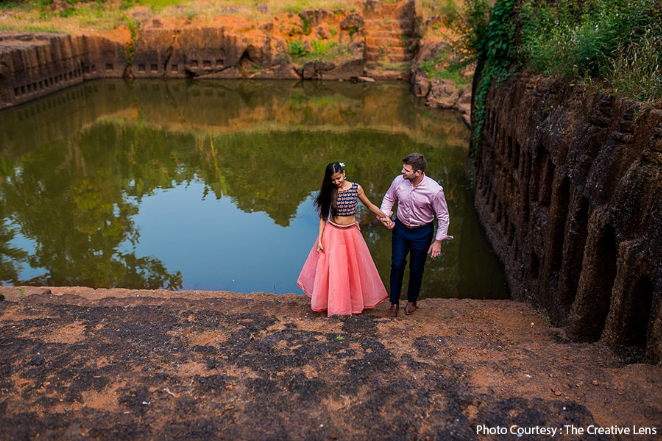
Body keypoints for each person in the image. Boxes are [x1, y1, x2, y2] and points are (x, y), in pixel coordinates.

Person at [298, 162, 393, 316]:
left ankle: (354, 303)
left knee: (352, 269)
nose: (337, 182)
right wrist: (320, 240)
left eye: (339, 177)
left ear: (344, 172)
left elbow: (370, 205)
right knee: (335, 271)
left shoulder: (356, 188)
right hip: (333, 233)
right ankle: (335, 305)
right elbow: (323, 217)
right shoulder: (330, 191)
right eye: (333, 179)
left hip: (351, 234)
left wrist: (385, 216)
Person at [378, 153, 453, 317]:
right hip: (401, 229)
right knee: (397, 265)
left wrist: (438, 241)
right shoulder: (399, 181)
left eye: (406, 170)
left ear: (418, 172)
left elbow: (443, 216)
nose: (402, 171)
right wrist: (385, 215)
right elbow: (389, 198)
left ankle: (412, 300)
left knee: (416, 268)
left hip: (422, 232)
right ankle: (394, 303)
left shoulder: (434, 190)